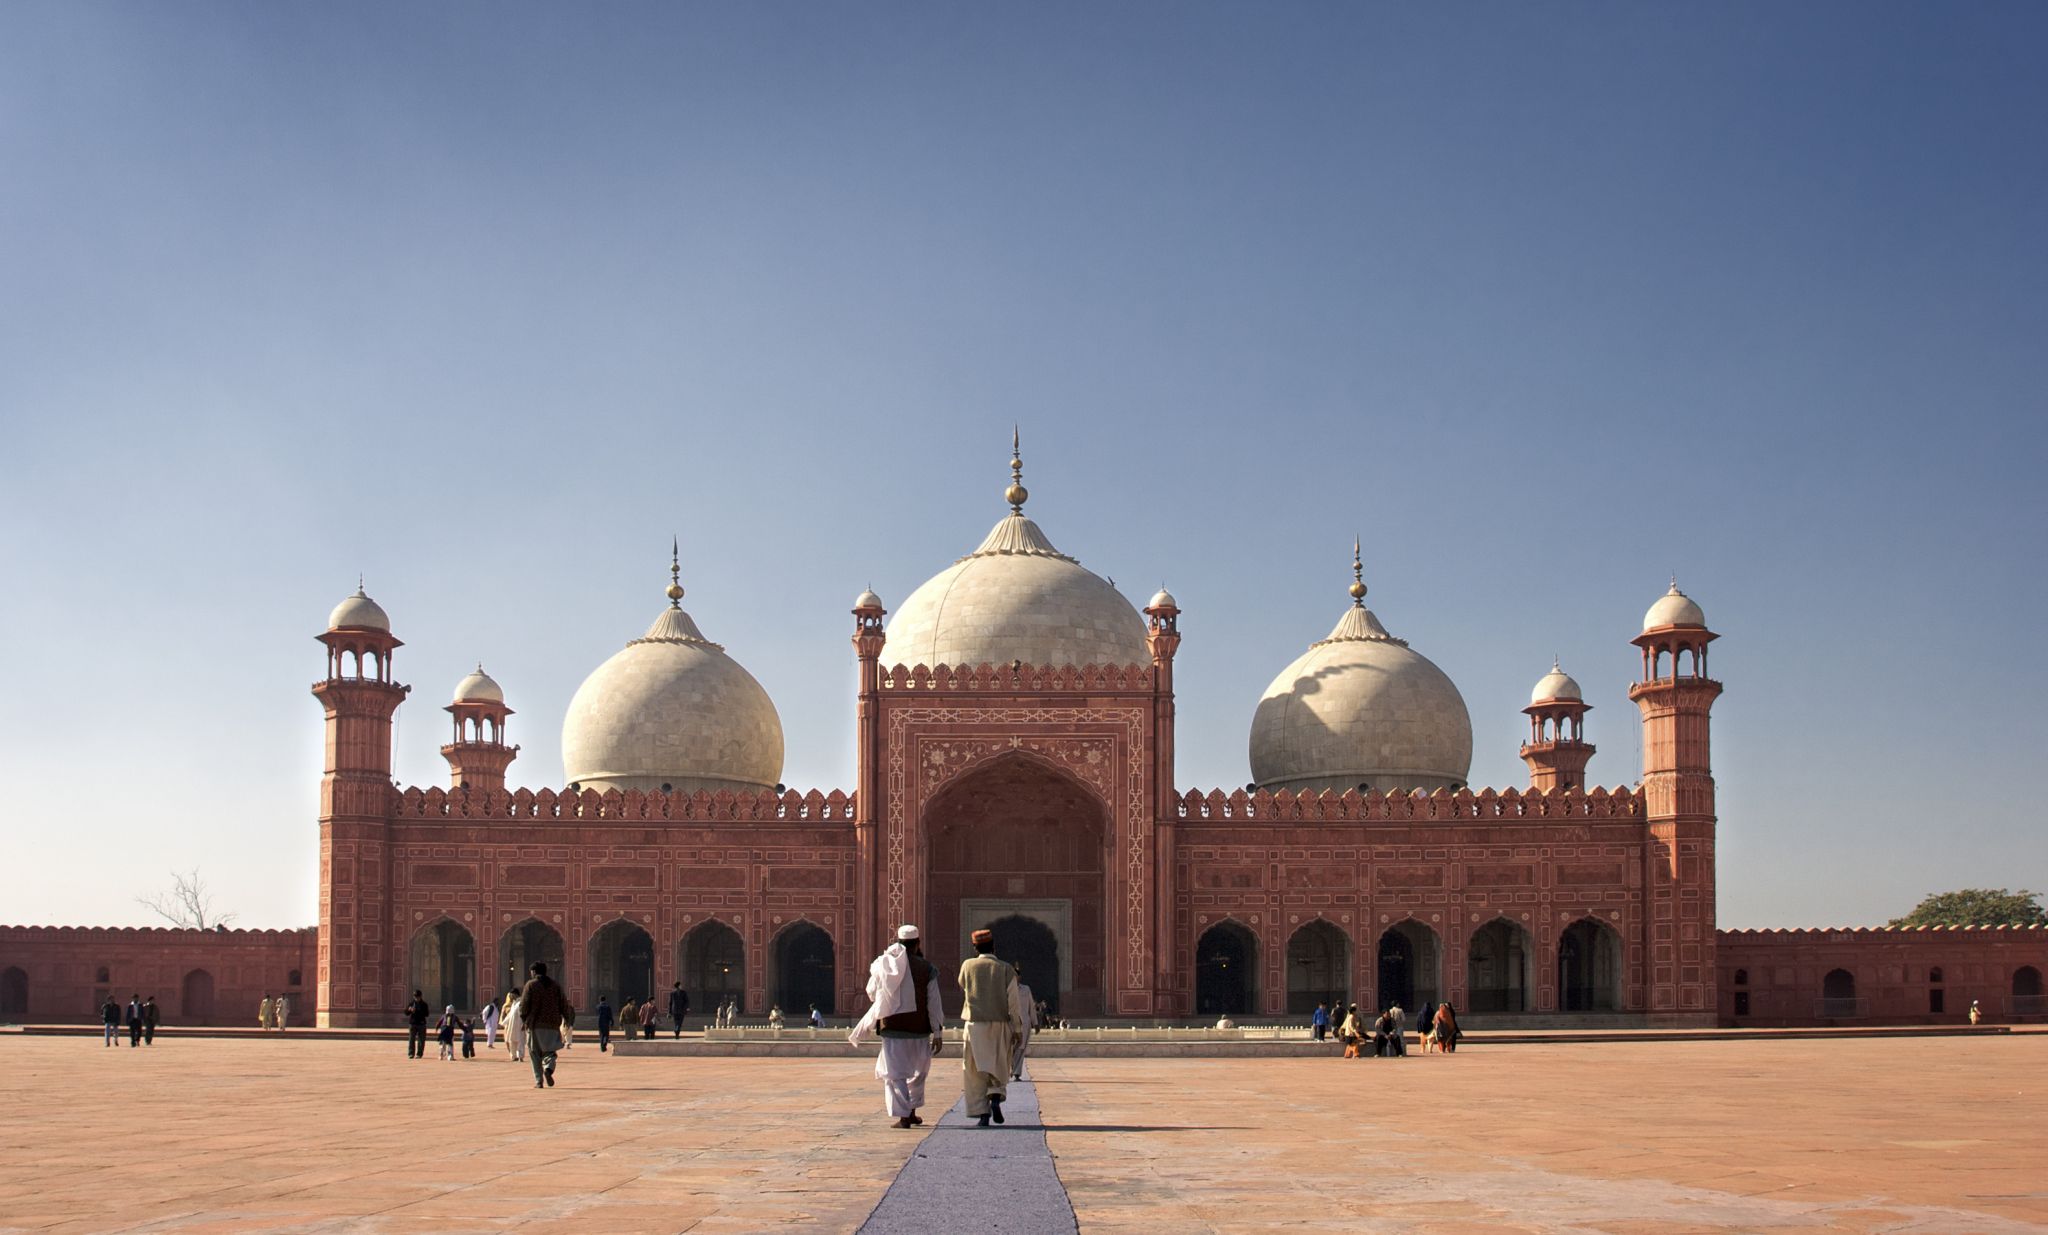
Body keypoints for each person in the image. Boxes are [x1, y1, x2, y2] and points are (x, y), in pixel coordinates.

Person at [849, 923, 946, 1129]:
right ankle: (911, 1112)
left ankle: (903, 1116)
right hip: (919, 1028)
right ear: (917, 944)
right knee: (919, 1072)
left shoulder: (885, 965)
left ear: (898, 942)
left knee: (895, 1073)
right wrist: (937, 1032)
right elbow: (934, 1002)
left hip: (892, 1027)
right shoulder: (927, 968)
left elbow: (872, 991)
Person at [957, 928, 1021, 1128]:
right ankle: (995, 1095)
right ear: (994, 946)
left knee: (975, 1071)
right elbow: (1014, 1002)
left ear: (975, 947)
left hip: (975, 1025)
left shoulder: (967, 966)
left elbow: (963, 985)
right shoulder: (1006, 969)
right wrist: (1017, 1028)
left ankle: (982, 1114)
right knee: (999, 1065)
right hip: (999, 1024)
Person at [519, 962, 567, 1088]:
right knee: (550, 1052)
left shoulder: (531, 985)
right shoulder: (556, 986)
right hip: (552, 1024)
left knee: (535, 1053)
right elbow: (564, 1004)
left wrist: (524, 1019)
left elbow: (523, 1005)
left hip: (535, 1025)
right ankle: (548, 1069)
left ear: (534, 972)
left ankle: (539, 1081)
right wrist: (566, 1019)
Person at [1012, 974, 1038, 1081]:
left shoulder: (1026, 989)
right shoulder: (1006, 989)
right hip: (1011, 1022)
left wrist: (1035, 1022)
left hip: (1024, 1023)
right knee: (1010, 1048)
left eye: (1016, 976)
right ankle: (1012, 1070)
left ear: (1019, 977)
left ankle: (1017, 1073)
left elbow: (1031, 1006)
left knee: (1021, 1048)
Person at [404, 991, 431, 1059]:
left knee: (421, 1040)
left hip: (421, 1024)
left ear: (420, 996)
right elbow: (406, 1012)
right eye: (415, 997)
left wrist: (418, 1010)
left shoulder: (424, 1004)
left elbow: (427, 1014)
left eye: (417, 997)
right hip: (413, 1023)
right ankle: (411, 1053)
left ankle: (419, 1054)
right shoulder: (412, 1003)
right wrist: (409, 1010)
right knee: (411, 1039)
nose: (416, 998)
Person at [505, 994, 527, 1063]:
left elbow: (523, 1014)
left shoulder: (520, 1003)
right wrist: (504, 1022)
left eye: (510, 996)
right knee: (512, 1041)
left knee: (520, 1042)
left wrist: (524, 1023)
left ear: (514, 995)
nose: (509, 997)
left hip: (520, 1026)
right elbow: (510, 1015)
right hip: (512, 1026)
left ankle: (520, 1056)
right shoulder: (513, 1004)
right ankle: (513, 1056)